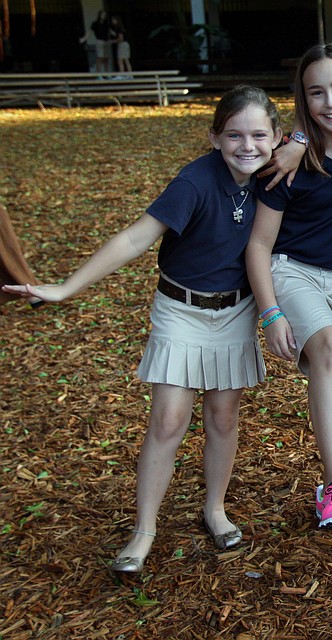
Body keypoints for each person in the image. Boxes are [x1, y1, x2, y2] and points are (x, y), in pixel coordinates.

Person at [2, 85, 283, 573]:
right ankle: (144, 529)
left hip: (235, 311)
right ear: (214, 137)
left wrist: (298, 142)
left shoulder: (275, 175)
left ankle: (215, 509)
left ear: (276, 136)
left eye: (259, 135)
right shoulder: (194, 182)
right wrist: (67, 287)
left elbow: (328, 138)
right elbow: (136, 237)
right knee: (169, 420)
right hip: (181, 310)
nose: (247, 146)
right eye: (234, 135)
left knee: (222, 417)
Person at [246, 44, 332, 537]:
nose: (330, 102)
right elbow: (259, 245)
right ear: (303, 98)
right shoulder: (288, 159)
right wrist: (271, 313)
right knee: (329, 349)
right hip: (293, 270)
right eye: (316, 92)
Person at [79, 10, 111, 76]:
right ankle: (98, 75)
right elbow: (90, 32)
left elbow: (110, 31)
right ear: (99, 15)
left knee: (106, 58)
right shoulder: (95, 24)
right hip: (99, 41)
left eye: (104, 15)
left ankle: (107, 74)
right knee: (100, 58)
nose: (103, 16)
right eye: (102, 15)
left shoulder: (106, 24)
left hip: (106, 41)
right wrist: (84, 39)